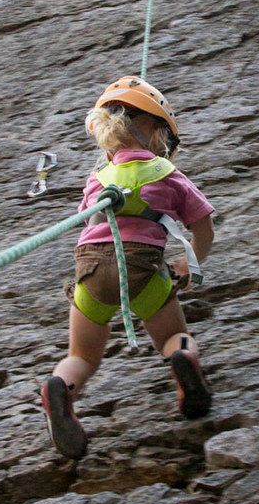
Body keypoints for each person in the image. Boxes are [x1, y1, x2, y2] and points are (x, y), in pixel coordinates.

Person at [41, 76, 215, 460]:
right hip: (143, 269)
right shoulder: (167, 174)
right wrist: (190, 262)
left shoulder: (97, 179)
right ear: (155, 130)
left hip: (89, 272)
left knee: (82, 357)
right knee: (172, 336)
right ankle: (183, 360)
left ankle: (61, 385)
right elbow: (203, 226)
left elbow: (90, 224)